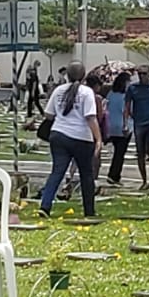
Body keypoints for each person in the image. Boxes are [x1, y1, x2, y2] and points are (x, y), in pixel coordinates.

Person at [39, 62, 102, 218]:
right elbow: (91, 118)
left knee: (57, 172)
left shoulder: (58, 90)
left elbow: (48, 115)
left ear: (66, 75)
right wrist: (98, 139)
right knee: (86, 174)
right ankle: (89, 210)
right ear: (84, 76)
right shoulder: (87, 92)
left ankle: (45, 206)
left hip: (59, 134)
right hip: (81, 137)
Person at [126, 66, 149, 191]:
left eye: (144, 73)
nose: (142, 76)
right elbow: (127, 106)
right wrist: (126, 122)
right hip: (139, 122)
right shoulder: (133, 88)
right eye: (140, 73)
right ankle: (144, 179)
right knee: (140, 151)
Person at [102, 71, 131, 187]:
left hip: (110, 126)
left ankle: (113, 174)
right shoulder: (126, 97)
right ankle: (114, 175)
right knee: (120, 153)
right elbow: (127, 111)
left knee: (117, 151)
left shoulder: (111, 94)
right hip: (123, 127)